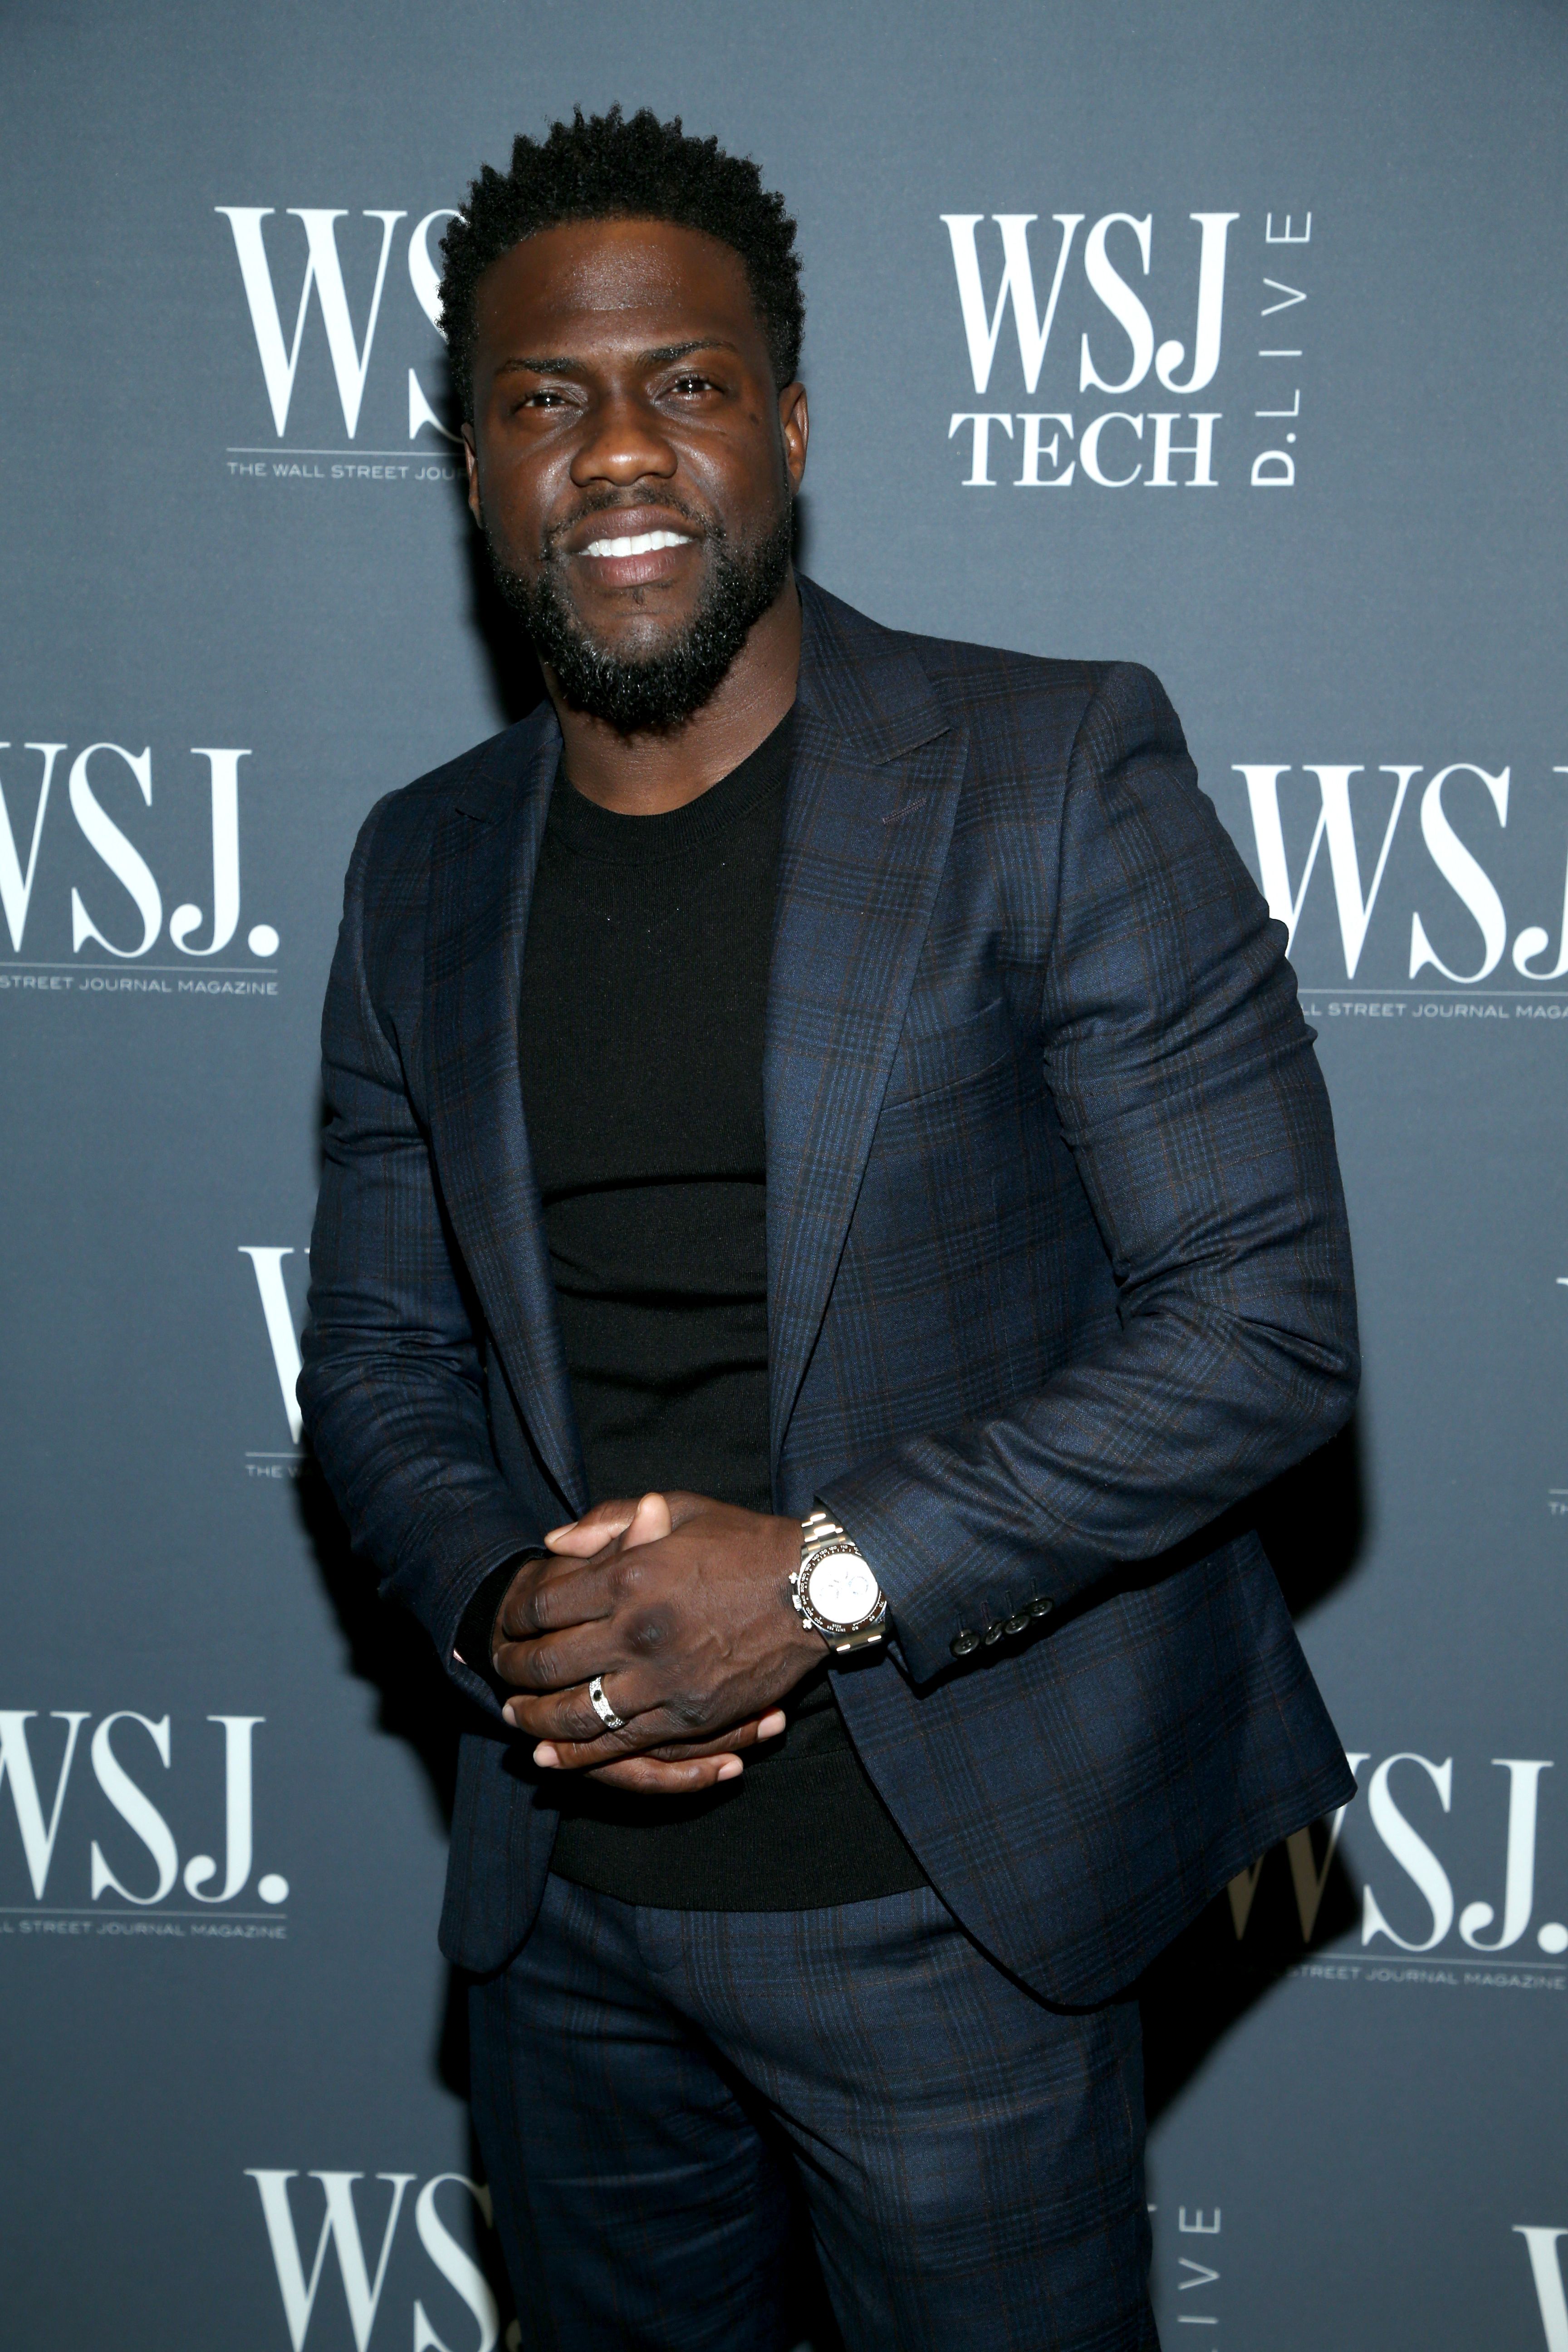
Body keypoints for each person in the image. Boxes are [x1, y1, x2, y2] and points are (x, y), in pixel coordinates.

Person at [300, 103, 1358, 2352]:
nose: (616, 454)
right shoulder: (416, 867)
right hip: (562, 1910)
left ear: (786, 423)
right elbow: (380, 1368)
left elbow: (1263, 1322)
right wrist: (515, 1612)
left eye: (683, 383)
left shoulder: (1046, 771)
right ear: (472, 468)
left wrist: (816, 1581)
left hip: (952, 1908)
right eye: (542, 399)